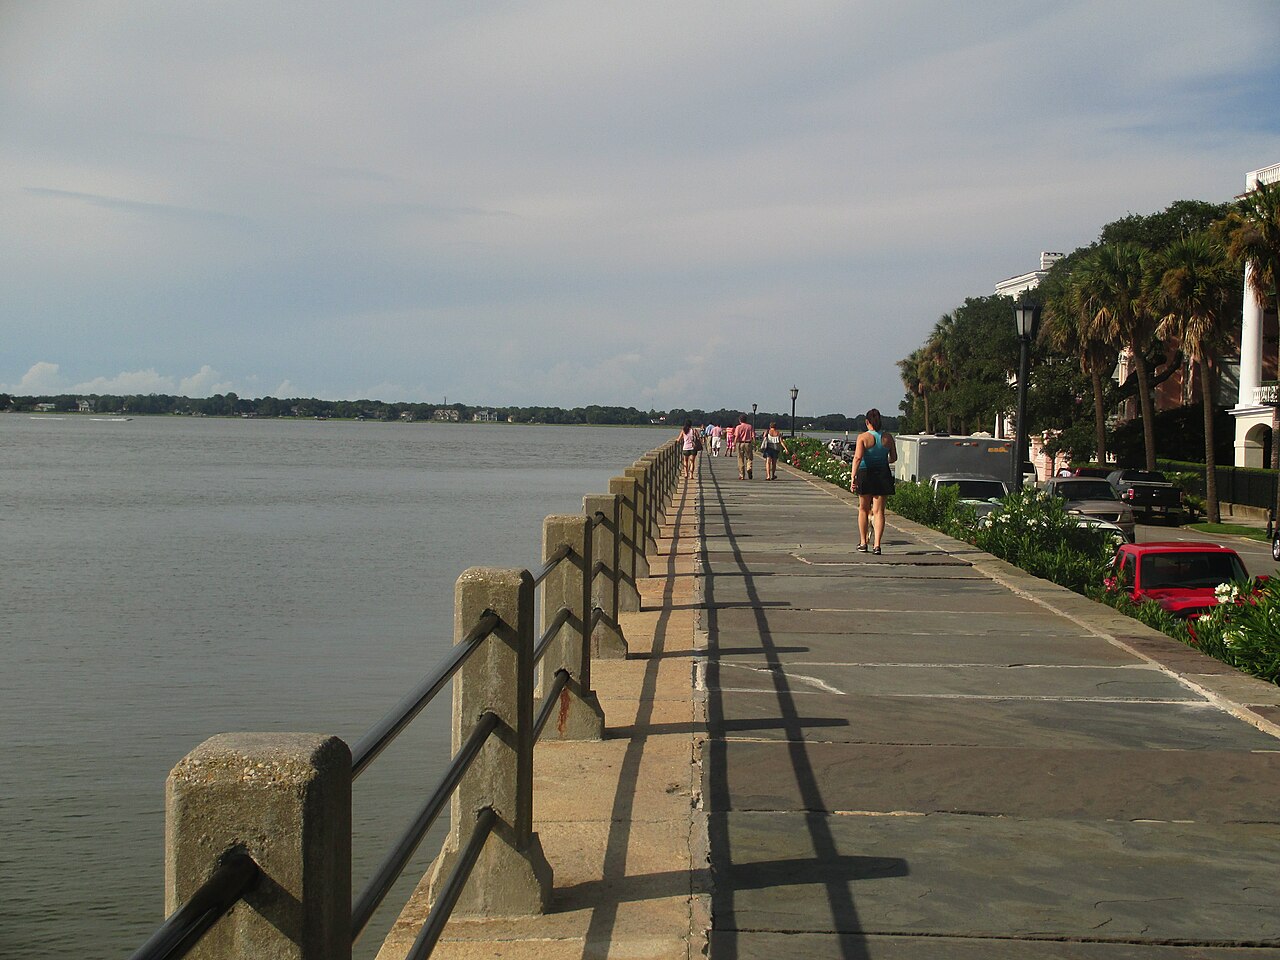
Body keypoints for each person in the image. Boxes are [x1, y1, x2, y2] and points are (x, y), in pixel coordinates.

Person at [850, 408, 897, 554]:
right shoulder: (888, 437)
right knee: (879, 511)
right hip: (882, 474)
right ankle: (877, 545)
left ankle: (863, 542)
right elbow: (894, 458)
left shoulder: (863, 437)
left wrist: (853, 476)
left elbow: (857, 458)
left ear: (867, 422)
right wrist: (883, 461)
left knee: (863, 509)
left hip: (865, 473)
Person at [733, 414, 756, 479]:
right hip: (748, 443)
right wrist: (754, 443)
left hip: (740, 443)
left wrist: (734, 444)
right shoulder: (750, 426)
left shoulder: (738, 427)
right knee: (749, 458)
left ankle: (742, 475)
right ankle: (749, 468)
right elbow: (753, 436)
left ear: (740, 420)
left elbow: (736, 436)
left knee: (740, 458)